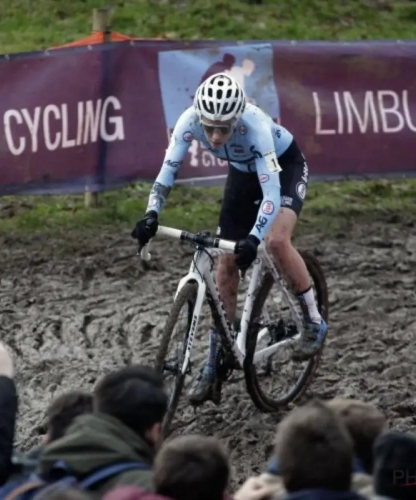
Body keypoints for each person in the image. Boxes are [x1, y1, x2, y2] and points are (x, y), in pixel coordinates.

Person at [131, 72, 327, 406]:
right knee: (225, 262)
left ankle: (312, 319)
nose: (216, 136)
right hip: (242, 170)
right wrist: (151, 214)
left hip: (283, 167)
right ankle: (219, 353)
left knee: (276, 241)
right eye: (210, 128)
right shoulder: (188, 121)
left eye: (224, 128)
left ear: (237, 119)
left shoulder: (256, 128)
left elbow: (270, 195)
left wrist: (253, 237)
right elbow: (168, 170)